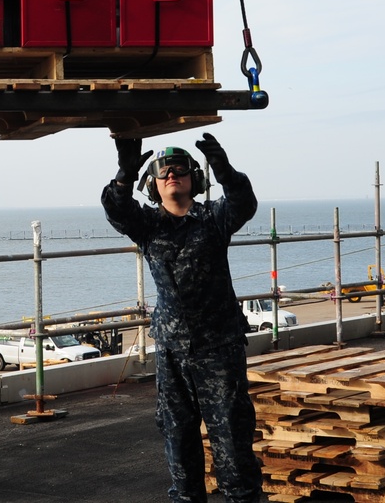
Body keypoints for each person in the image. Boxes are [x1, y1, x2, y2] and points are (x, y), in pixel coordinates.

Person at [101, 133, 263, 503]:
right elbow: (116, 210)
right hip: (173, 354)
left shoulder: (212, 220)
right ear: (153, 185)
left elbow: (243, 203)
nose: (171, 173)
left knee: (234, 453)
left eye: (180, 169)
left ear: (195, 179)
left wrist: (225, 171)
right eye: (162, 171)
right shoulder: (147, 225)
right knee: (179, 448)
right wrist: (125, 174)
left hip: (218, 352)